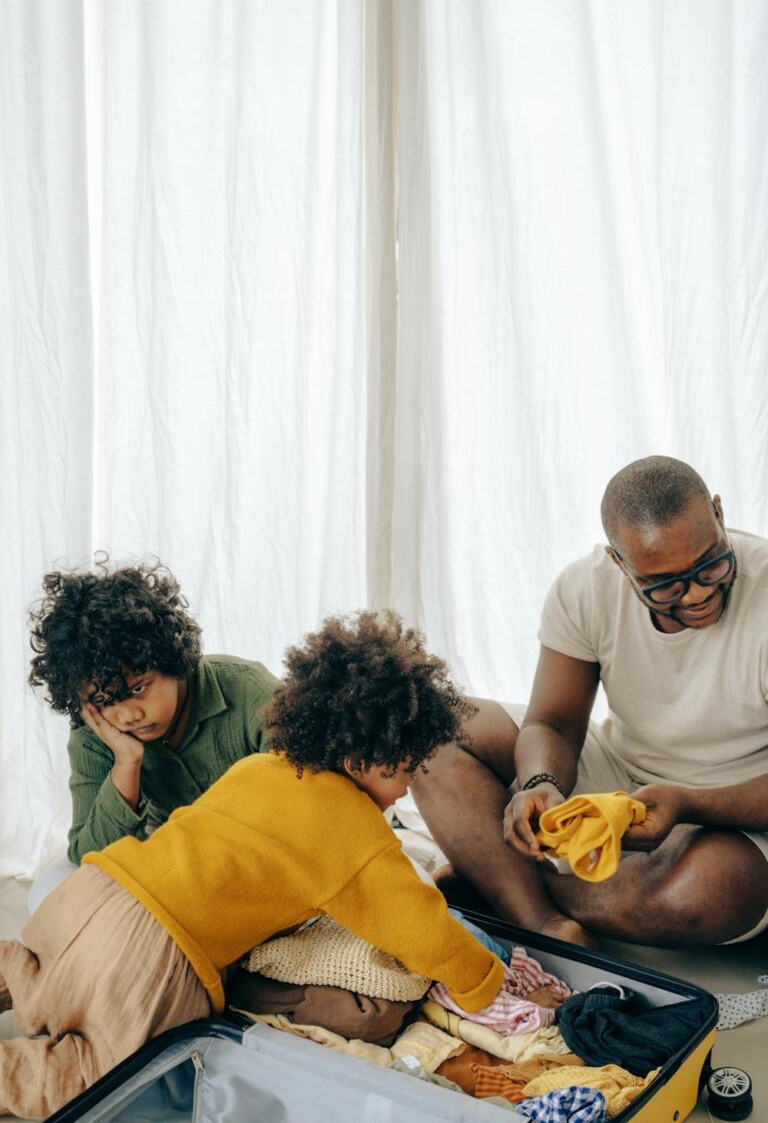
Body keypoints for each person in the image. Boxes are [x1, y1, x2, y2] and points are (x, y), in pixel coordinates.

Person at [0, 610, 504, 1119]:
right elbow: (421, 927)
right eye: (407, 772)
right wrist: (484, 982)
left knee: (46, 980)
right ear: (361, 765)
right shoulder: (355, 832)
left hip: (92, 895)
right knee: (102, 1074)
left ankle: (15, 968)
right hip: (154, 949)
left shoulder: (259, 766)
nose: (408, 787)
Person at [413, 456, 768, 948]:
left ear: (720, 514)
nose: (697, 594)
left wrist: (689, 803)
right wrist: (541, 783)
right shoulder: (586, 587)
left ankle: (497, 881)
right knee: (433, 729)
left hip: (735, 806)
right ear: (620, 563)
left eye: (712, 563)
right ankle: (544, 922)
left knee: (704, 893)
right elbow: (553, 723)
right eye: (665, 585)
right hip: (622, 774)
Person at [27, 558, 278, 871]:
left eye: (137, 689)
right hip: (179, 862)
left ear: (171, 661)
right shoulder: (95, 734)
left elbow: (307, 802)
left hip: (268, 853)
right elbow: (89, 854)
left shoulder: (248, 690)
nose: (127, 715)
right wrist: (126, 763)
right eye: (106, 700)